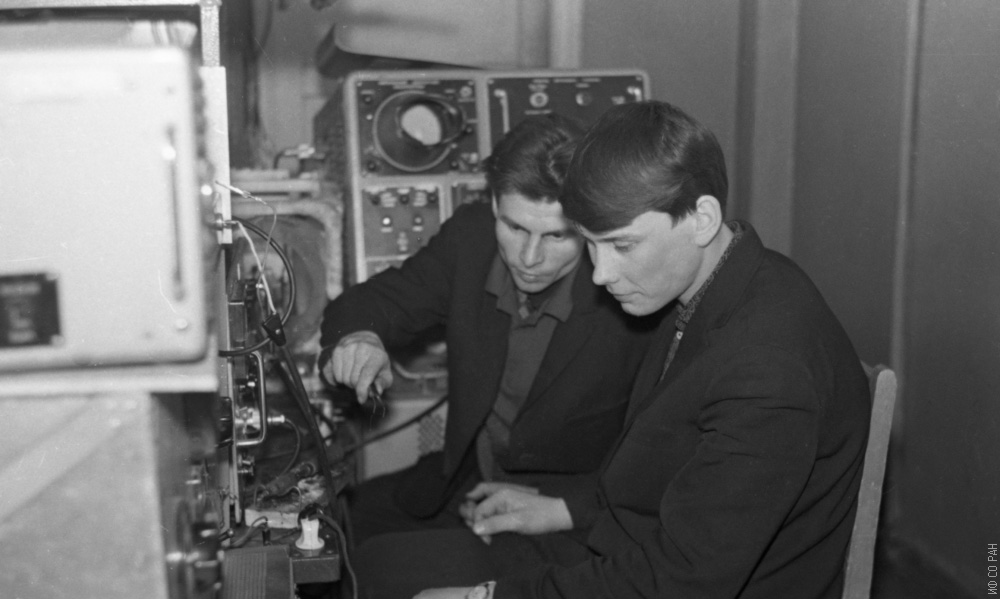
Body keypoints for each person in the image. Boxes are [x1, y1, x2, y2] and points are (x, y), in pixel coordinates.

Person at [353, 100, 873, 599]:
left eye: (622, 245)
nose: (601, 274)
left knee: (392, 579)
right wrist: (565, 509)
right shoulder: (729, 280)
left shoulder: (766, 368)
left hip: (666, 580)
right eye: (590, 243)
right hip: (634, 548)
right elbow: (661, 476)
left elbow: (682, 583)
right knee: (379, 560)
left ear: (702, 218)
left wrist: (490, 597)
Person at [318, 114, 656, 545]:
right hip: (467, 482)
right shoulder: (470, 238)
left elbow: (663, 454)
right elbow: (371, 302)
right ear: (495, 204)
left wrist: (568, 507)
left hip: (569, 512)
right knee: (336, 526)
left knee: (398, 570)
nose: (529, 258)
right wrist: (360, 338)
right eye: (515, 228)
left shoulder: (631, 289)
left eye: (557, 237)